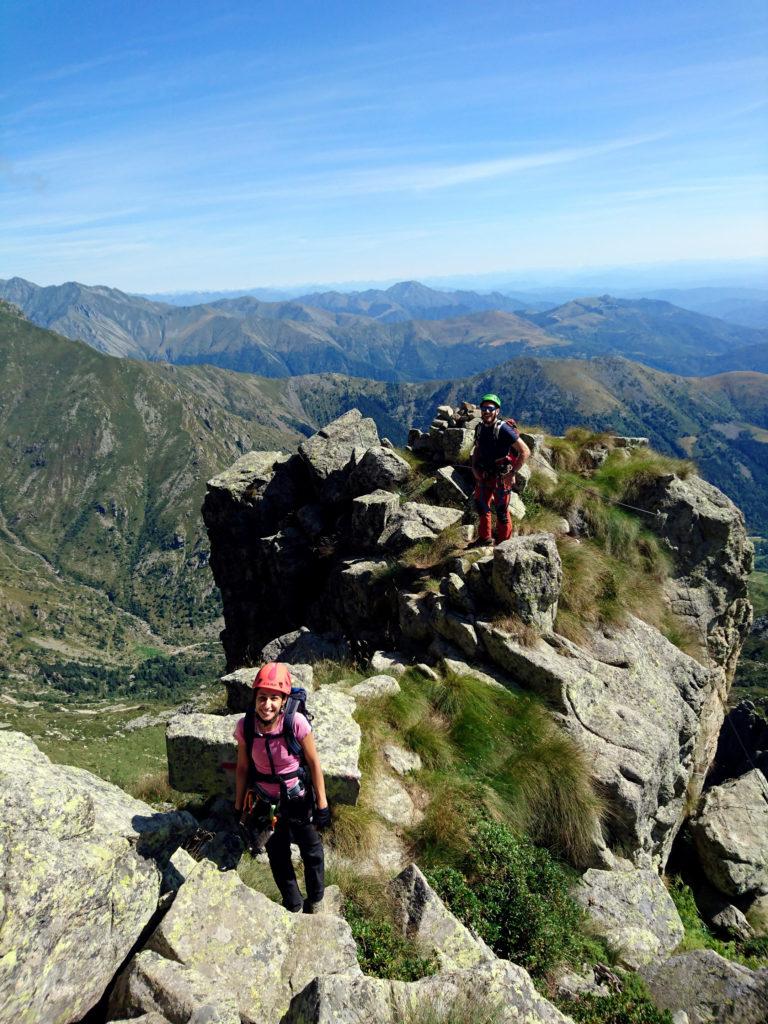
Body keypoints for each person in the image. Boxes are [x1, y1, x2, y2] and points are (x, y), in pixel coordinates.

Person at [233, 662, 331, 913]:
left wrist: (322, 804)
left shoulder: (296, 723)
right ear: (255, 698)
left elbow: (313, 763)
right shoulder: (245, 728)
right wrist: (238, 806)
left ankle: (316, 900)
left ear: (284, 701)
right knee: (278, 857)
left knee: (312, 851)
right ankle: (294, 904)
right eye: (262, 697)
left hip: (297, 799)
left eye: (274, 698)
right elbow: (243, 768)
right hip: (267, 804)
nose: (267, 704)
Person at [470, 393, 530, 545]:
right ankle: (485, 539)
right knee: (482, 505)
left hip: (502, 477)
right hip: (484, 474)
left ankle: (504, 546)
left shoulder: (503, 429)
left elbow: (525, 451)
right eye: (484, 408)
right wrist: (474, 468)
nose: (487, 411)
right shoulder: (480, 428)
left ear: (497, 411)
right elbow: (477, 448)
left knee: (502, 511)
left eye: (490, 408)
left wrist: (512, 473)